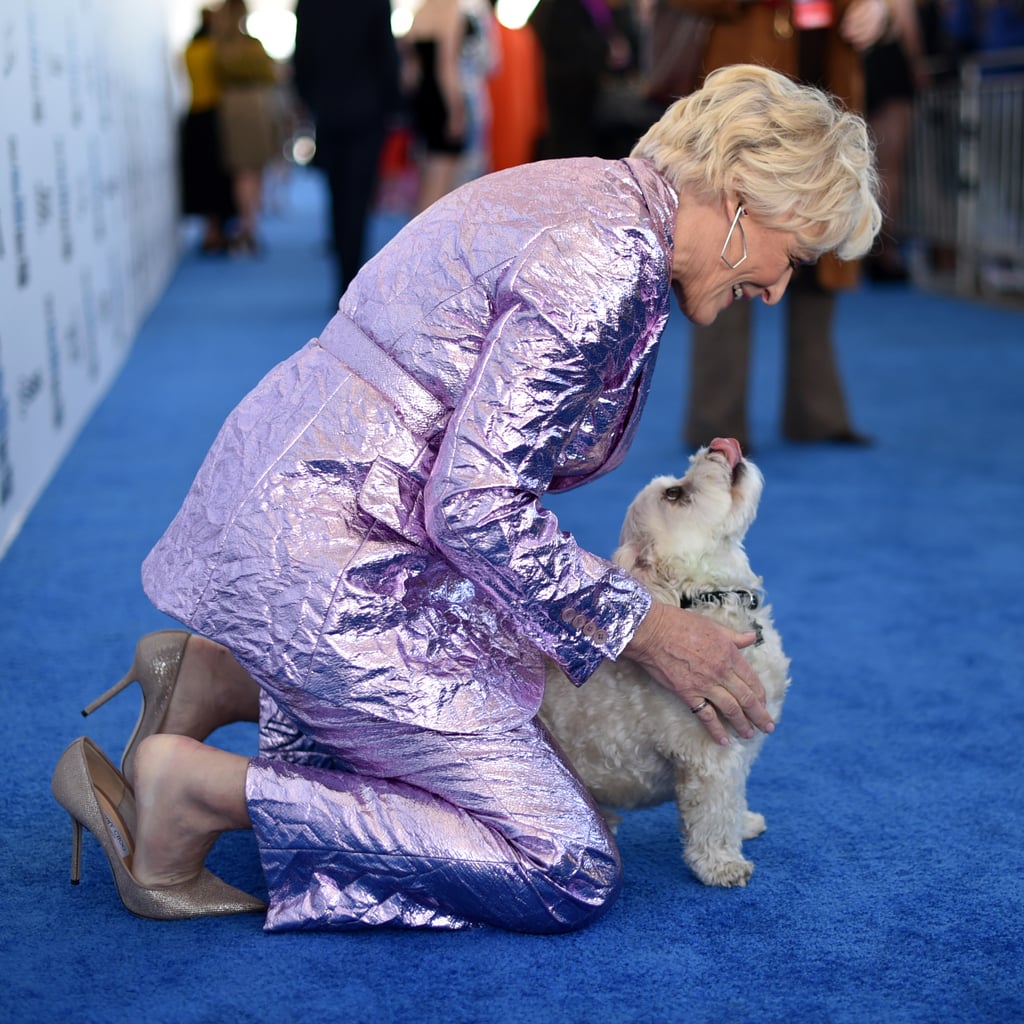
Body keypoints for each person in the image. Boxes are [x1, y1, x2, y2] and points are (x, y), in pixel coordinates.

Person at [55, 66, 881, 933]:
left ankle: (216, 676)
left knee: (526, 663)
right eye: (800, 253)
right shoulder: (605, 261)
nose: (783, 287)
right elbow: (477, 505)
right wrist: (652, 626)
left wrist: (608, 617)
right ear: (746, 199)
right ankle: (195, 791)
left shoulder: (600, 197)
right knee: (561, 866)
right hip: (334, 561)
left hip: (314, 511)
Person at [669, 0, 892, 452]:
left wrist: (880, 11)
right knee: (729, 250)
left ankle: (817, 412)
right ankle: (716, 421)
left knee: (820, 246)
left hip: (826, 71)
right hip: (746, 102)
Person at [292, 0, 402, 301]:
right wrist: (393, 104)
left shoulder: (309, 4)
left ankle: (343, 276)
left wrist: (310, 101)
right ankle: (350, 281)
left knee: (337, 194)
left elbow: (301, 59)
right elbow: (386, 55)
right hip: (368, 113)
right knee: (358, 198)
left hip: (328, 113)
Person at [214, 0, 279, 254]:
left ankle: (247, 226)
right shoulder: (252, 46)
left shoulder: (220, 48)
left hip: (232, 108)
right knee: (253, 169)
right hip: (255, 106)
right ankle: (250, 226)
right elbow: (270, 75)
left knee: (243, 170)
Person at [401, 0, 469, 212]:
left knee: (426, 180)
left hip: (422, 102)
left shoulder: (420, 12)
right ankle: (426, 242)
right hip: (441, 103)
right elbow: (446, 68)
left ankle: (419, 239)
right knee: (441, 188)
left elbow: (409, 73)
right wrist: (456, 110)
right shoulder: (451, 12)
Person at [179, 8, 237, 254]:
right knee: (216, 177)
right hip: (215, 118)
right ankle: (217, 233)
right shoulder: (216, 49)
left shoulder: (189, 50)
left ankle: (210, 232)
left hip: (195, 118)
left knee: (201, 178)